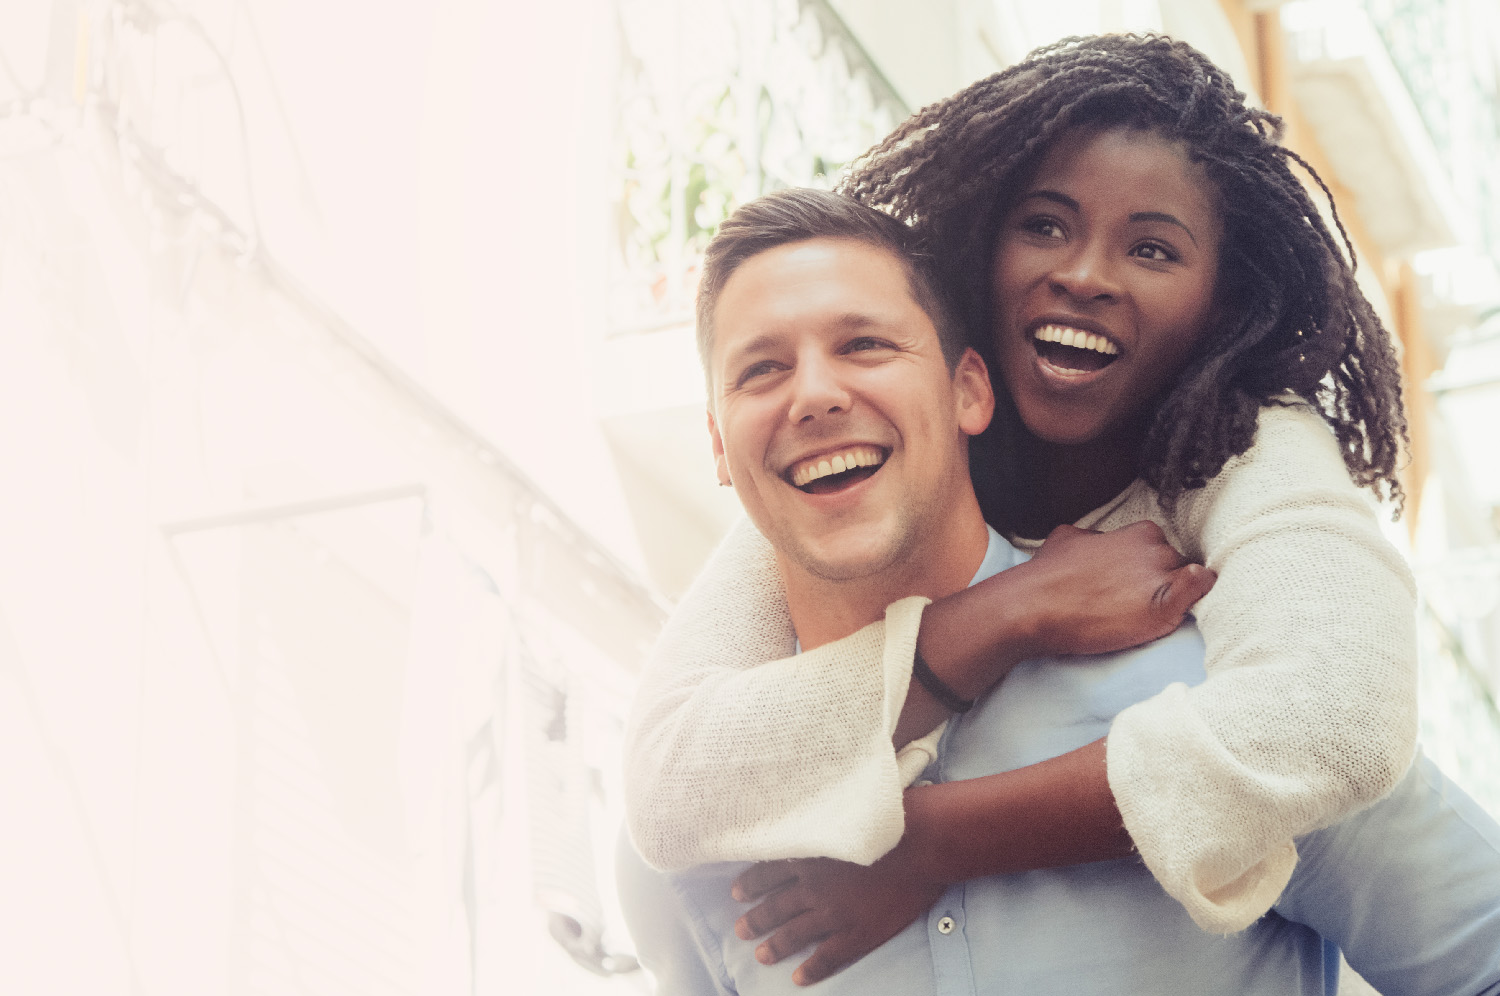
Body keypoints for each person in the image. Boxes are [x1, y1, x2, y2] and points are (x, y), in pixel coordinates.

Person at [624, 34, 1418, 955]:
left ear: (1219, 301)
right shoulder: (860, 436)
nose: (1083, 274)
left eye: (1153, 249)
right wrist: (1019, 608)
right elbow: (668, 786)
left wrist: (926, 843)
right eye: (1043, 225)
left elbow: (1341, 720)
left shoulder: (1248, 445)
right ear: (978, 241)